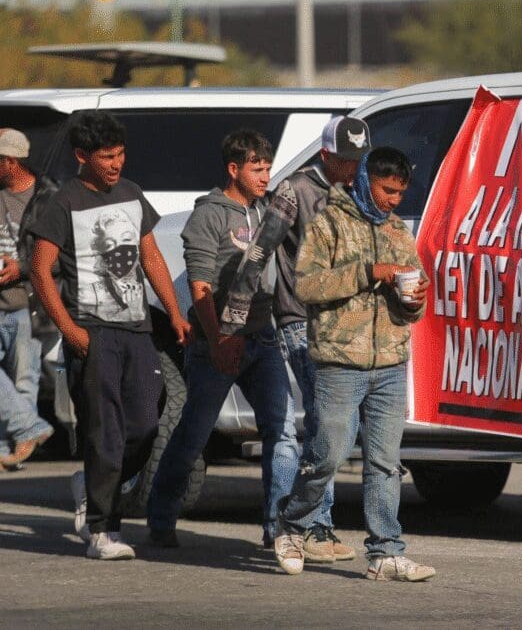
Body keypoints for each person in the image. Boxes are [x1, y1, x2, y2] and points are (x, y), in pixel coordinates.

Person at [28, 110, 191, 560]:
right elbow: (42, 273)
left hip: (138, 328)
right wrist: (71, 331)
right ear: (83, 156)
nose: (116, 164)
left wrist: (173, 313)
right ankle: (102, 530)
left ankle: (93, 484)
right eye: (106, 157)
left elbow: (152, 257)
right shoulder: (63, 203)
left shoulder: (131, 194)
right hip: (92, 331)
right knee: (106, 434)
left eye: (120, 154)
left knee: (145, 424)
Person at [274, 146, 434, 582]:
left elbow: (413, 301)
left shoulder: (400, 232)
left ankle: (385, 552)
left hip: (390, 364)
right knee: (327, 456)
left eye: (401, 193)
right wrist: (368, 271)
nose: (393, 201)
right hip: (339, 363)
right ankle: (291, 525)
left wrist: (415, 300)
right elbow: (306, 286)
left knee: (385, 463)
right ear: (366, 180)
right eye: (387, 190)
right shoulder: (328, 223)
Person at [219, 115, 371, 563]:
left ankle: (283, 524)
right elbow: (260, 249)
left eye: (358, 159)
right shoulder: (295, 190)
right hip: (301, 320)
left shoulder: (358, 190)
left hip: (346, 325)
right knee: (326, 424)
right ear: (326, 155)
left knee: (333, 427)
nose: (352, 167)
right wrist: (235, 314)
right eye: (344, 160)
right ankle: (313, 529)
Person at [147, 129, 299, 549]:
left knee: (281, 430)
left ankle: (277, 528)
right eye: (257, 168)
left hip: (262, 339)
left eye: (268, 168)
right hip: (215, 343)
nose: (265, 176)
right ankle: (161, 516)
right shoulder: (209, 216)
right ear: (234, 169)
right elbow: (199, 288)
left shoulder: (268, 211)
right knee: (194, 434)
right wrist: (217, 341)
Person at [0, 128, 54, 469]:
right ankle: (30, 428)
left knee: (24, 379)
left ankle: (12, 452)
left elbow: (59, 252)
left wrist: (21, 268)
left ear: (10, 161)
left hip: (28, 302)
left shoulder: (48, 198)